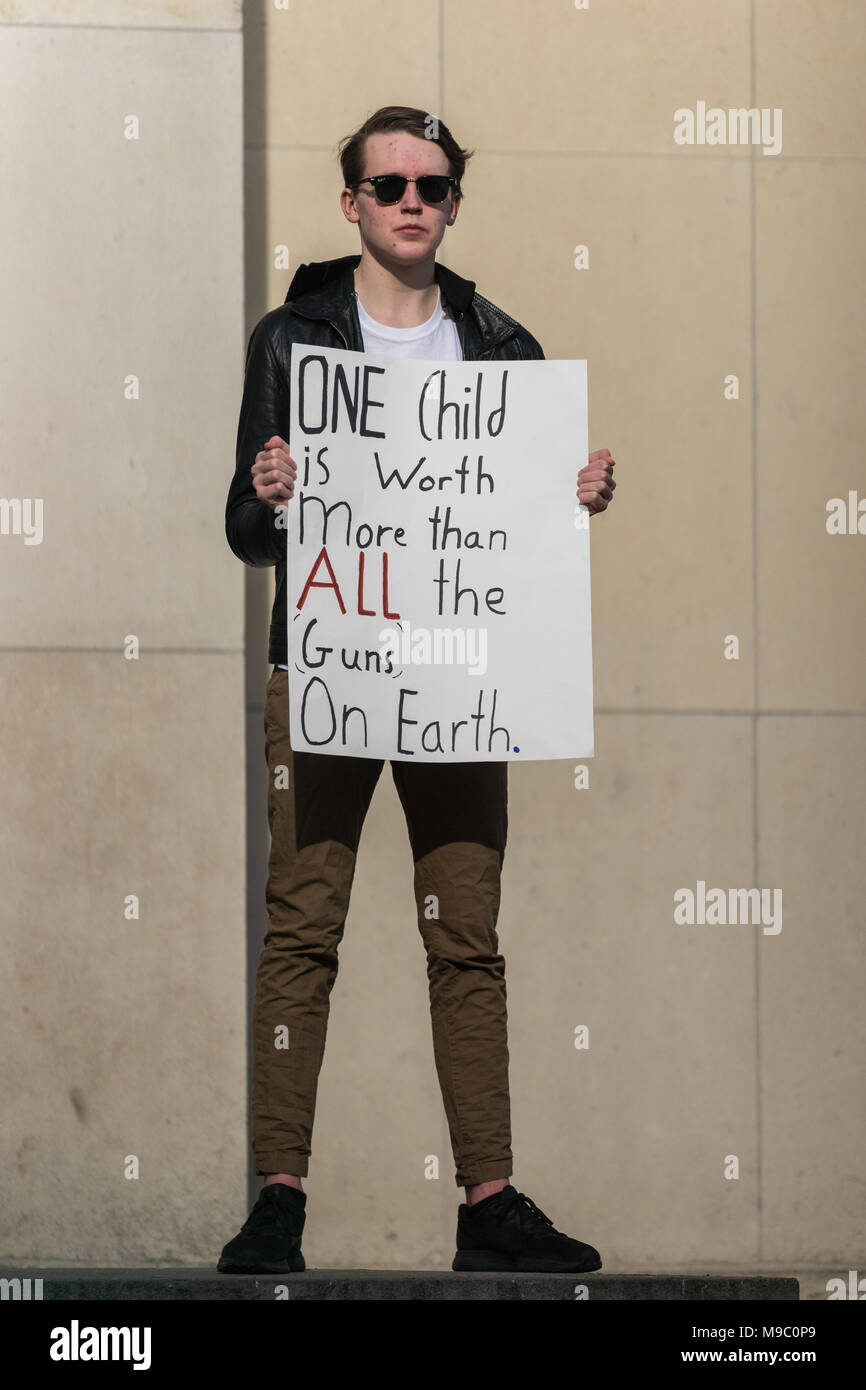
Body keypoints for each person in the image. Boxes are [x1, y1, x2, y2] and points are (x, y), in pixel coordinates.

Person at [219, 105, 616, 1276]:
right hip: (329, 667)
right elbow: (245, 532)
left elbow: (527, 545)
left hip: (457, 676)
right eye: (386, 183)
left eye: (430, 186)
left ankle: (488, 1200)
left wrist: (573, 499)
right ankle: (278, 1197)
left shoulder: (502, 346)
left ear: (453, 204)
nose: (409, 201)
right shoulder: (292, 338)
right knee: (302, 931)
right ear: (349, 203)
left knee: (466, 938)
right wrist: (270, 487)